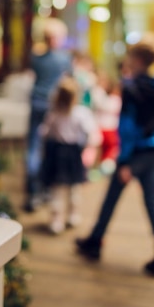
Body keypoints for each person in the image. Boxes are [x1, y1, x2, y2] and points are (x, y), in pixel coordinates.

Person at [76, 37, 154, 277]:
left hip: (135, 154)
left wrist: (126, 160)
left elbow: (129, 126)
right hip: (153, 150)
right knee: (151, 202)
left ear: (138, 60)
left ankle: (95, 241)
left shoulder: (132, 88)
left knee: (113, 197)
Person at [40, 76, 100, 234]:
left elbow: (44, 132)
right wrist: (86, 147)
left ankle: (57, 220)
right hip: (73, 153)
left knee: (58, 190)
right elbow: (90, 134)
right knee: (74, 187)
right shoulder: (81, 113)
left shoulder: (54, 114)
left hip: (58, 153)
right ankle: (73, 215)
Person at [25, 18, 72, 212]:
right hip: (53, 107)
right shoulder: (64, 59)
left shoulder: (36, 57)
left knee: (33, 148)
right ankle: (45, 189)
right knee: (50, 148)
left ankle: (32, 191)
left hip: (37, 102)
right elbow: (69, 81)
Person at [92, 71, 121, 175]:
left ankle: (103, 169)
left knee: (108, 151)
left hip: (108, 128)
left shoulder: (112, 99)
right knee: (104, 150)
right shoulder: (102, 95)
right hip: (104, 127)